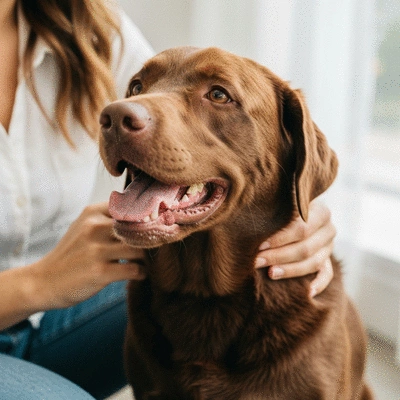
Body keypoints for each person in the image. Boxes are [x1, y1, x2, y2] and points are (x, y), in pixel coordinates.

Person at [0, 0, 336, 398]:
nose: (128, 108)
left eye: (218, 94)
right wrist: (37, 283)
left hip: (49, 323)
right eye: (136, 89)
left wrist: (306, 211)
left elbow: (173, 96)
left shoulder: (84, 25)